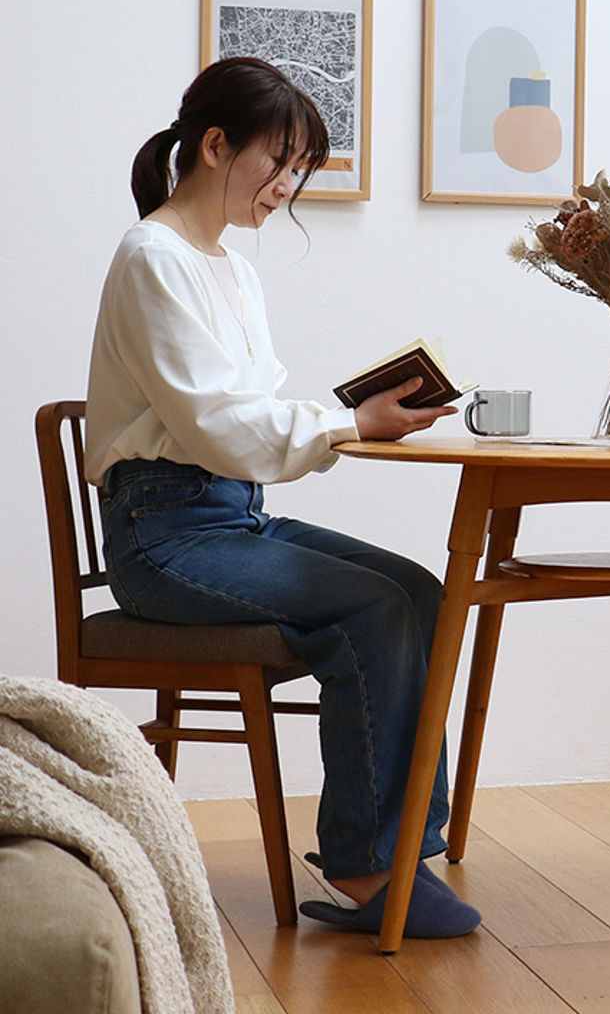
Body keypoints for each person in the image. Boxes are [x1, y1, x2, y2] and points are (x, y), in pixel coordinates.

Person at [84, 56, 480, 938]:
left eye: (300, 168)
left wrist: (354, 417)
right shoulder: (152, 256)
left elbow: (247, 414)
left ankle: (403, 845)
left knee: (419, 590)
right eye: (280, 160)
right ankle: (366, 866)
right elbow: (218, 425)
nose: (288, 186)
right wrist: (349, 425)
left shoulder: (230, 267)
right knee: (374, 607)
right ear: (215, 145)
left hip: (233, 518)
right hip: (163, 539)